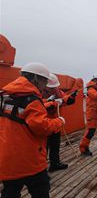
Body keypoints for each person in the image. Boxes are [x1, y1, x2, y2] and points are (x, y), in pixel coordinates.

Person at [0, 62, 65, 198]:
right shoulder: (32, 100)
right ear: (36, 79)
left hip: (7, 157)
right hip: (28, 159)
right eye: (44, 81)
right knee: (40, 190)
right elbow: (42, 127)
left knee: (10, 192)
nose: (45, 85)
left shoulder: (4, 95)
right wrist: (59, 121)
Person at [43, 73, 77, 172]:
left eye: (54, 87)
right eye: (51, 87)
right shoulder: (38, 93)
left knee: (55, 145)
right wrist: (53, 103)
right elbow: (39, 104)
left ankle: (55, 163)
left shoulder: (58, 91)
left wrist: (71, 98)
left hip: (55, 123)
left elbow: (65, 99)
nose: (53, 89)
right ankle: (42, 170)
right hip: (44, 124)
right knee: (44, 148)